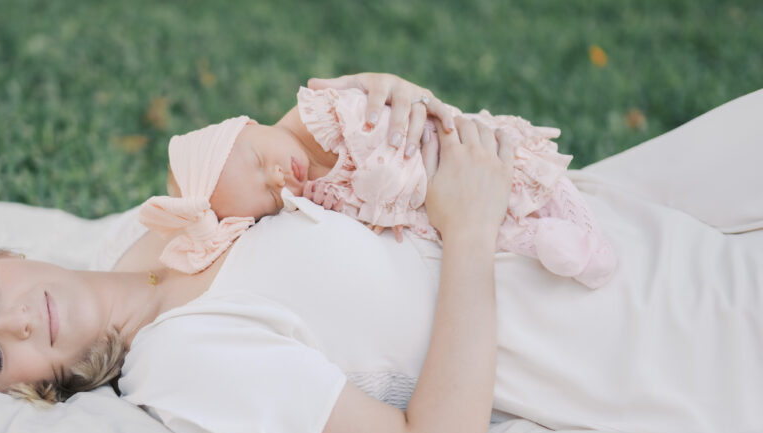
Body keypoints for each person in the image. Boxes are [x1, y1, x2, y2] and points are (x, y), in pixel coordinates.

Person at [0, 73, 763, 433]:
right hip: (623, 322)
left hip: (608, 202)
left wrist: (376, 98)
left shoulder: (151, 229)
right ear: (26, 388)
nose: (15, 325)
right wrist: (468, 230)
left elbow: (304, 156)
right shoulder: (185, 366)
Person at [138, 87, 616, 287]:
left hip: (447, 147)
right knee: (495, 229)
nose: (280, 178)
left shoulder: (321, 113)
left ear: (246, 123)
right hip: (437, 206)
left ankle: (583, 231)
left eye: (261, 161)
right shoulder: (309, 201)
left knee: (526, 168)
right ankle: (549, 242)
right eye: (268, 195)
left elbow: (398, 107)